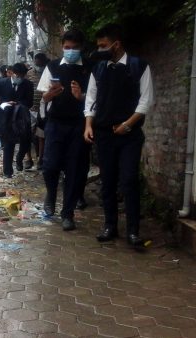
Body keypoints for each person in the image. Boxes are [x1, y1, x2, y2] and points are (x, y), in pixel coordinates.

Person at [84, 24, 153, 248]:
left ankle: (133, 231)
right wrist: (88, 125)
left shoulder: (138, 66)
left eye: (103, 46)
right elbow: (91, 99)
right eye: (98, 46)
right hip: (105, 134)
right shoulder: (99, 69)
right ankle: (110, 225)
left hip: (129, 135)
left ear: (117, 44)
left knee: (129, 180)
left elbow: (146, 101)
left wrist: (127, 124)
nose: (100, 50)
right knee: (108, 181)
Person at [36, 29, 91, 231]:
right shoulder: (52, 67)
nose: (70, 52)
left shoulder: (89, 69)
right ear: (62, 47)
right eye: (67, 48)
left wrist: (81, 97)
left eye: (75, 48)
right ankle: (51, 193)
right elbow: (43, 98)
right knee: (50, 166)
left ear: (81, 48)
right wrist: (50, 95)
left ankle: (67, 213)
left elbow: (95, 100)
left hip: (79, 125)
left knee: (74, 170)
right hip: (56, 123)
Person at [0, 62, 34, 178]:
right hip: (6, 118)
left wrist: (17, 104)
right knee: (8, 145)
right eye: (17, 75)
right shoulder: (2, 83)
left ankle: (19, 159)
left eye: (22, 76)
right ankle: (7, 171)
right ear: (11, 73)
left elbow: (30, 102)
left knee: (25, 142)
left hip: (21, 119)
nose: (19, 78)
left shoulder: (28, 85)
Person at [26, 53, 50, 170]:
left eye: (41, 63)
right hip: (30, 109)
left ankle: (40, 159)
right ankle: (29, 159)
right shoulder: (29, 74)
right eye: (37, 63)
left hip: (43, 109)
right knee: (27, 135)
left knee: (41, 135)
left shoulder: (48, 73)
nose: (38, 65)